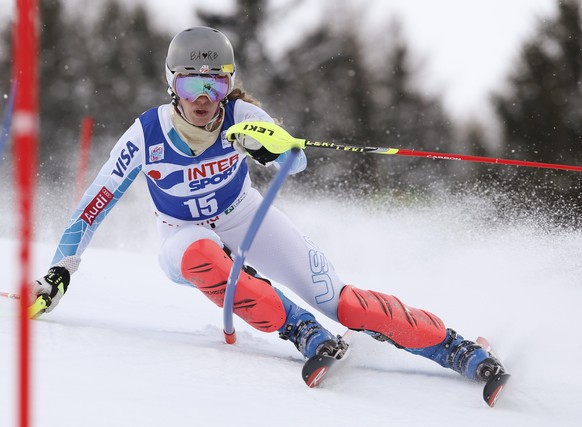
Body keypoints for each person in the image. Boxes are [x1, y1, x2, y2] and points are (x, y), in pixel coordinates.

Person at [31, 26, 504, 382]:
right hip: (181, 232)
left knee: (342, 303)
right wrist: (59, 272)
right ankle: (299, 330)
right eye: (189, 84)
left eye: (214, 84)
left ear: (229, 83)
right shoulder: (146, 133)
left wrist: (270, 148)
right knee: (201, 257)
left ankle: (455, 348)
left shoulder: (241, 115)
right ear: (169, 84)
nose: (202, 98)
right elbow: (95, 203)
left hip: (243, 216)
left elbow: (294, 159)